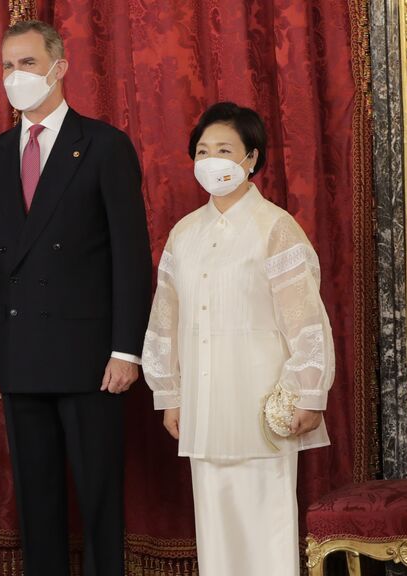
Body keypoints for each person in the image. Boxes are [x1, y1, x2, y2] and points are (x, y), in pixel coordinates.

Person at [0, 20, 151, 576]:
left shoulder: (103, 145)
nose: (15, 76)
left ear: (59, 67)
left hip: (91, 357)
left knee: (99, 498)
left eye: (26, 63)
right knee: (35, 500)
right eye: (7, 66)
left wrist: (127, 349)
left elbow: (130, 254)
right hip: (19, 353)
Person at [142, 101, 335, 576]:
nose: (211, 160)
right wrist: (170, 394)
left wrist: (309, 393)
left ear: (251, 158)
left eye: (224, 149)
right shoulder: (184, 234)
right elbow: (165, 320)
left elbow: (306, 319)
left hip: (261, 405)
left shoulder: (275, 228)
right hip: (203, 407)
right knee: (215, 526)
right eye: (202, 150)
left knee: (264, 524)